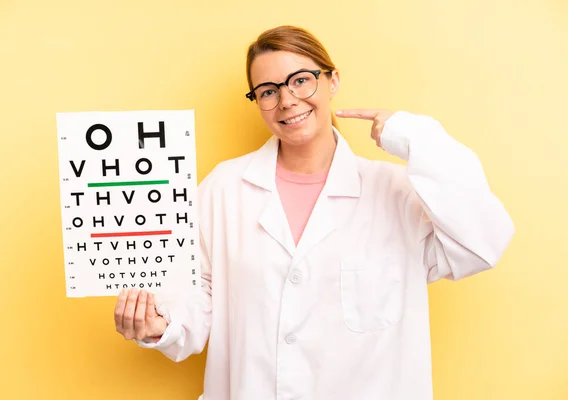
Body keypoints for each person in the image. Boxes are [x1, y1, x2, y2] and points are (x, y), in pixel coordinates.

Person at [113, 25, 514, 400]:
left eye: (301, 80)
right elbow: (198, 294)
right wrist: (161, 327)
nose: (287, 100)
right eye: (267, 91)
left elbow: (482, 243)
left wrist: (416, 139)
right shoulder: (223, 188)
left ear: (332, 80)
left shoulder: (397, 192)